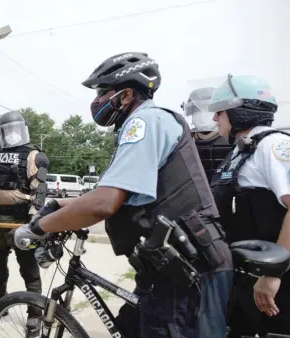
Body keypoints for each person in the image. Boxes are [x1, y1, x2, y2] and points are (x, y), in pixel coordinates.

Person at [14, 52, 234, 337]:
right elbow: (113, 194)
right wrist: (58, 205)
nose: (97, 101)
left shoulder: (145, 123)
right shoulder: (141, 125)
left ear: (126, 95)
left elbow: (104, 204)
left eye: (103, 92)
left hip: (188, 274)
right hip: (167, 271)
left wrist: (37, 227)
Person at [208, 74, 290, 337]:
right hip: (247, 277)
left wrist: (273, 272)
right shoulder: (242, 150)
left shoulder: (273, 145)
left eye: (219, 112)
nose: (213, 119)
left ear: (240, 111)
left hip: (276, 282)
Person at [0, 110, 49, 336]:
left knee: (29, 270)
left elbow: (39, 192)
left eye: (16, 129)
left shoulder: (34, 156)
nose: (12, 134)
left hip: (22, 223)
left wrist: (34, 222)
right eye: (8, 130)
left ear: (23, 130)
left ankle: (35, 315)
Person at [183, 87, 233, 183]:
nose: (202, 114)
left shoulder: (232, 140)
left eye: (208, 109)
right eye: (197, 110)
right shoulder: (184, 142)